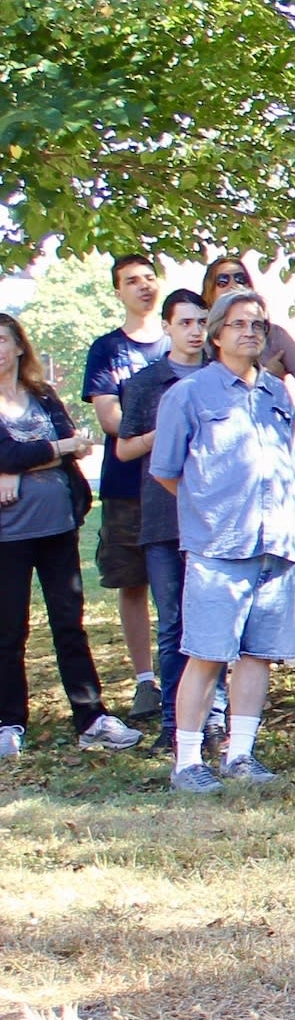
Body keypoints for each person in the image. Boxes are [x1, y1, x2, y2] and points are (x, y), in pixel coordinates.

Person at [150, 285, 295, 789]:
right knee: (207, 653)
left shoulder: (276, 392)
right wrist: (211, 510)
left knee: (259, 653)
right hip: (219, 546)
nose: (250, 332)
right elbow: (167, 471)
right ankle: (188, 760)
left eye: (258, 325)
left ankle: (240, 754)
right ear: (216, 334)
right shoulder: (189, 395)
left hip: (276, 543)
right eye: (239, 324)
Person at [0, 313, 142, 758]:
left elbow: (75, 445)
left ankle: (91, 717)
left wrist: (16, 466)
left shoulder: (41, 395)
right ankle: (8, 721)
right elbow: (9, 450)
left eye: (2, 341)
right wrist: (34, 455)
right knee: (8, 629)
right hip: (8, 536)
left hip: (58, 526)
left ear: (19, 346)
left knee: (69, 625)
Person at [111, 291, 208, 749]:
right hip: (163, 518)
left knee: (211, 623)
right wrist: (164, 433)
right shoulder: (148, 382)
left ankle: (214, 719)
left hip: (213, 520)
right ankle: (172, 723)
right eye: (185, 322)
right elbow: (125, 448)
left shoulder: (219, 377)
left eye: (201, 321)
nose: (194, 330)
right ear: (167, 327)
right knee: (172, 624)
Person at [81, 252, 167, 722]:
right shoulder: (107, 350)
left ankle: (191, 674)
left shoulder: (181, 342)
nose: (142, 287)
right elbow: (110, 418)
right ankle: (144, 681)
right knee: (132, 584)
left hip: (177, 486)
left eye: (149, 278)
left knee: (182, 582)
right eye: (131, 281)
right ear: (118, 291)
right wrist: (166, 432)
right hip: (126, 486)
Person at [193, 255, 295, 411]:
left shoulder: (273, 334)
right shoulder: (197, 336)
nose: (233, 284)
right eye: (223, 281)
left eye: (240, 278)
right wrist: (263, 376)